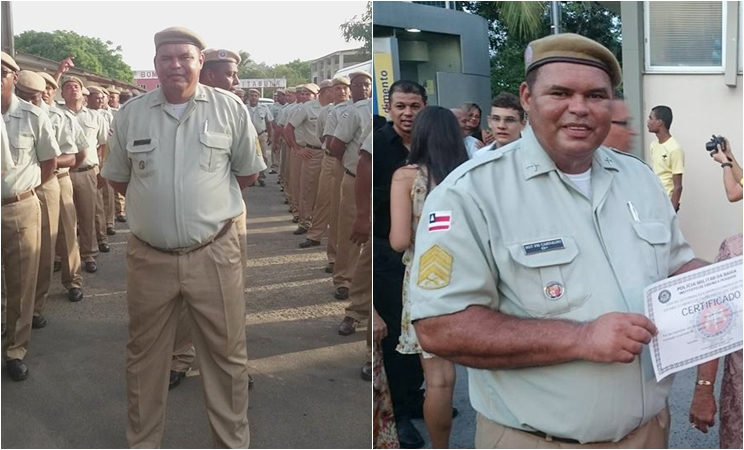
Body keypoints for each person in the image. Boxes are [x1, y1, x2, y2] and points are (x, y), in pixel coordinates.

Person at [408, 33, 706, 448]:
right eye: (560, 92)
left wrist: (726, 285)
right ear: (528, 97)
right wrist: (580, 338)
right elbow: (440, 328)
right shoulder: (469, 194)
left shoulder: (638, 179)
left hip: (649, 434)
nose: (580, 108)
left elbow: (678, 268)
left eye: (596, 95)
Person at [101, 26, 265, 447]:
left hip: (213, 253)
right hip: (149, 256)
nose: (175, 65)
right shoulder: (131, 114)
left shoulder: (229, 109)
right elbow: (120, 179)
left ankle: (230, 443)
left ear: (199, 62)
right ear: (155, 65)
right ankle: (144, 443)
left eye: (184, 57)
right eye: (166, 58)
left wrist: (200, 212)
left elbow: (246, 173)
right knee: (144, 358)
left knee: (226, 358)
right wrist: (160, 213)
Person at [389, 106, 469, 448]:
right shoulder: (469, 175)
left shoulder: (406, 177)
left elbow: (399, 240)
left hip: (425, 281)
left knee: (437, 380)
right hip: (468, 278)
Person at [373, 80, 427, 449]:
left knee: (419, 330)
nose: (407, 113)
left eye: (415, 106)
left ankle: (419, 399)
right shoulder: (378, 146)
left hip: (425, 254)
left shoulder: (431, 147)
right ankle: (402, 416)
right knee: (395, 334)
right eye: (400, 106)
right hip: (387, 252)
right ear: (390, 108)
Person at [1, 51, 61, 381]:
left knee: (21, 281)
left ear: (13, 76)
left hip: (18, 206)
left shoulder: (33, 116)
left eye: (1, 73)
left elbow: (49, 162)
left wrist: (25, 188)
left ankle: (15, 348)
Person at [688, 136, 742, 448]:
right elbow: (716, 322)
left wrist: (725, 162)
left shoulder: (736, 250)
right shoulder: (736, 252)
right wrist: (730, 157)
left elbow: (734, 191)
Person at [38, 70, 86, 304]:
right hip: (26, 186)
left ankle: (73, 280)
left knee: (66, 232)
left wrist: (48, 162)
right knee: (40, 241)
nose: (44, 91)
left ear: (53, 91)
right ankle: (37, 296)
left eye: (48, 87)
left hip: (58, 179)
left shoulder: (62, 118)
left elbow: (76, 156)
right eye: (40, 87)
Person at [60, 75, 108, 273]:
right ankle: (63, 257)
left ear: (83, 93)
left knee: (88, 216)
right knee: (65, 220)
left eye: (76, 87)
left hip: (87, 171)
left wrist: (101, 170)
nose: (73, 89)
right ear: (61, 93)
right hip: (62, 173)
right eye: (68, 87)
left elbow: (104, 144)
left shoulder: (95, 117)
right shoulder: (55, 116)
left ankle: (89, 255)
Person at [647, 105, 684, 212]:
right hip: (654, 198)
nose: (648, 121)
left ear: (659, 122)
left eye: (650, 118)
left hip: (666, 201)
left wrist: (672, 211)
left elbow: (678, 186)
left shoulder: (675, 149)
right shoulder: (653, 145)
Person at [472, 92, 527, 159]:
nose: (501, 126)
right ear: (489, 122)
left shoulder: (533, 156)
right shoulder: (480, 156)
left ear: (523, 124)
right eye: (496, 119)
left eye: (509, 120)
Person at [247, 88, 274, 187]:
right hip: (248, 135)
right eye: (252, 96)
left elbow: (269, 123)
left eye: (255, 96)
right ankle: (251, 178)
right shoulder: (244, 108)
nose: (253, 98)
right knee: (250, 156)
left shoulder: (264, 108)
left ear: (258, 97)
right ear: (248, 97)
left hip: (261, 134)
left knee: (263, 156)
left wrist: (270, 136)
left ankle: (261, 177)